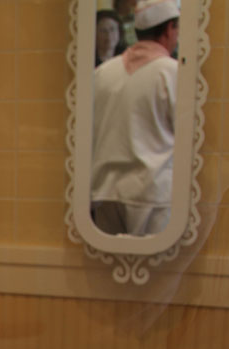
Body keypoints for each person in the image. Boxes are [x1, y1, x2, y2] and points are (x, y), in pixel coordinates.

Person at [90, 0, 180, 236]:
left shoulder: (102, 73)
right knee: (154, 272)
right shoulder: (172, 73)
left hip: (105, 192)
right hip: (151, 194)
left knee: (106, 272)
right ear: (170, 28)